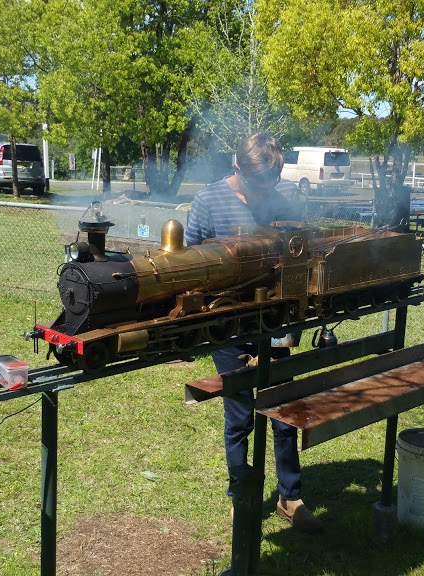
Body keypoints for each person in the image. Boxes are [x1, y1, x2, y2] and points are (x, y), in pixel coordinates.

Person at [184, 132, 322, 534]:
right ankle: (241, 497)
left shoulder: (282, 200)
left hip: (276, 323)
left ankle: (289, 497)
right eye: (256, 186)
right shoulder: (208, 201)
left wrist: (291, 326)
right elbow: (188, 265)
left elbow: (298, 258)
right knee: (240, 417)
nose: (264, 195)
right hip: (228, 327)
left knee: (284, 414)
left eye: (270, 186)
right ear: (236, 166)